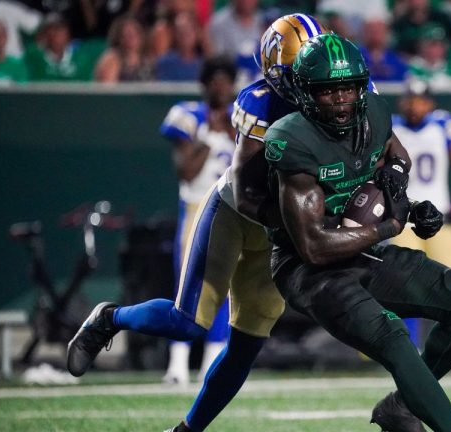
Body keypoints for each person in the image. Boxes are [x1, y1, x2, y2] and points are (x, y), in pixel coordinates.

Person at [67, 14, 327, 432]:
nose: (320, 80)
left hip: (279, 228)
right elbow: (242, 188)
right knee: (188, 320)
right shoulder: (256, 102)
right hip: (237, 213)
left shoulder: (344, 96)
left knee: (245, 346)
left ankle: (187, 430)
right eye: (304, 69)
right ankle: (109, 318)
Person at [263, 33, 451, 432]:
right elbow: (314, 247)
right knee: (393, 336)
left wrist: (408, 202)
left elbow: (395, 157)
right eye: (328, 91)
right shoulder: (291, 137)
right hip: (308, 271)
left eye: (349, 88)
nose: (341, 100)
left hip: (364, 252)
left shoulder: (375, 115)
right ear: (304, 93)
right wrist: (388, 225)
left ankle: (401, 407)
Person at [157, 55, 238, 386]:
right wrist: (209, 136)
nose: (220, 86)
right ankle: (177, 366)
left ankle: (210, 365)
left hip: (235, 212)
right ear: (204, 84)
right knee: (187, 289)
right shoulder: (187, 115)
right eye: (214, 79)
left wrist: (231, 131)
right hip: (196, 208)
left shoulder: (244, 117)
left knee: (226, 290)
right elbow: (186, 171)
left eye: (226, 80)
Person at [390, 79, 451, 351]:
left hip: (438, 219)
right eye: (410, 98)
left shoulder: (442, 126)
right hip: (402, 221)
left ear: (430, 103)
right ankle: (406, 351)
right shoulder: (390, 128)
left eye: (420, 99)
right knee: (402, 286)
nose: (414, 105)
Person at [93, 15, 154, 83]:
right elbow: (105, 90)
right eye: (126, 34)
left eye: (135, 32)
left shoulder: (147, 60)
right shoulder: (112, 59)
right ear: (118, 37)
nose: (132, 37)